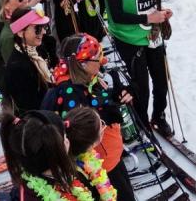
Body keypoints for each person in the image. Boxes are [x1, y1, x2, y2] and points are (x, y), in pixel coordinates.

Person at [105, 0, 174, 136]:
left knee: (161, 80)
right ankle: (142, 123)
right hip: (129, 37)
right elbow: (116, 16)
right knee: (141, 87)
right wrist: (148, 19)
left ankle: (159, 116)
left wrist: (160, 13)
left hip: (151, 35)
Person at [42, 34, 135, 200]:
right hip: (100, 166)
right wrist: (108, 114)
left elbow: (97, 101)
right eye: (97, 57)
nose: (103, 60)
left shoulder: (88, 77)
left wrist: (117, 95)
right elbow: (80, 134)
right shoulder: (70, 93)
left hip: (112, 156)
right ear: (83, 64)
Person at [0, 109, 97, 200]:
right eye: (65, 137)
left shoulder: (32, 172)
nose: (67, 141)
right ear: (57, 152)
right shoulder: (34, 195)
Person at [5, 6, 57, 114]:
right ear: (20, 32)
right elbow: (31, 109)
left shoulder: (38, 48)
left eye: (43, 27)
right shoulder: (18, 67)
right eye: (37, 28)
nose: (43, 32)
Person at [62, 107, 120, 201]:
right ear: (93, 144)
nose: (102, 126)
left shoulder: (81, 159)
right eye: (101, 124)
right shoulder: (78, 180)